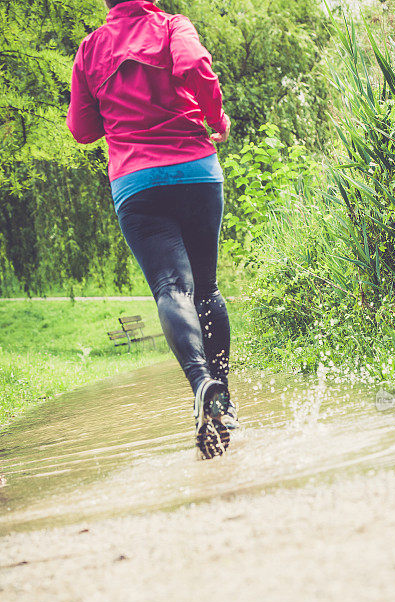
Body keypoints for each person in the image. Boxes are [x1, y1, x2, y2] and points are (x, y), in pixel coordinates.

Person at [66, 0, 239, 459]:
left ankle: (202, 384)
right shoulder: (172, 27)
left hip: (137, 183)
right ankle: (222, 395)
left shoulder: (90, 50)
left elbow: (82, 130)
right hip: (196, 171)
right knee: (206, 290)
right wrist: (216, 119)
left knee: (170, 289)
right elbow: (197, 66)